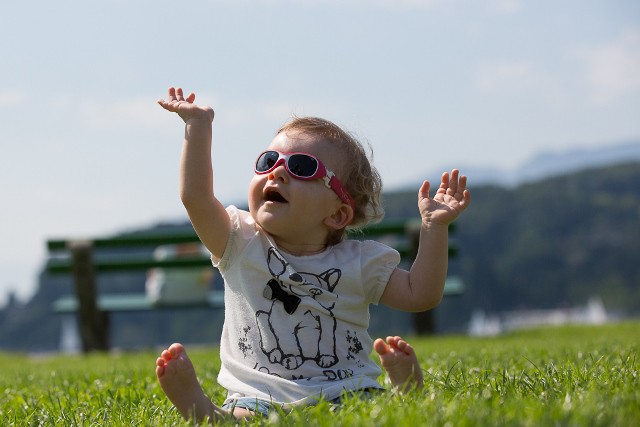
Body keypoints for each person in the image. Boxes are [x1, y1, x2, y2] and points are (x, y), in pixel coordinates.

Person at [155, 87, 471, 422]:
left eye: (302, 167)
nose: (277, 172)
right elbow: (196, 198)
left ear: (337, 214)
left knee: (371, 414)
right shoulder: (238, 241)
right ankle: (206, 412)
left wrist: (434, 228)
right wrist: (198, 126)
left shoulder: (358, 262)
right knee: (247, 418)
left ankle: (406, 389)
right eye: (268, 161)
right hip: (260, 395)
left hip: (348, 389)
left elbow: (420, 294)